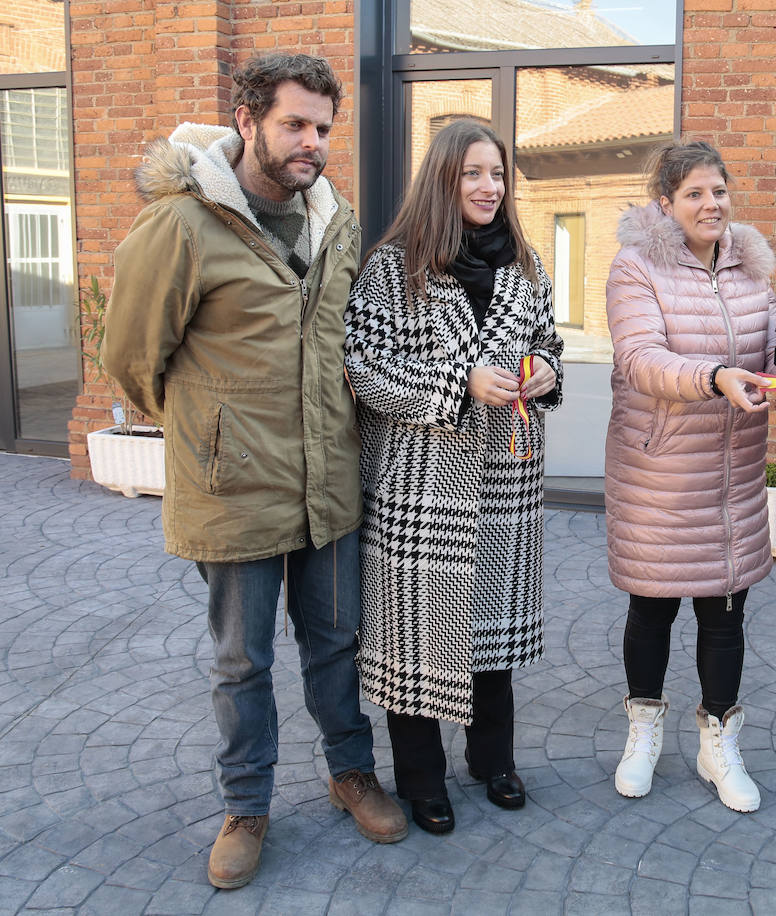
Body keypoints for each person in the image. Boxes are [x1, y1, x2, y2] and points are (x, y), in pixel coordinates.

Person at [102, 54, 406, 889]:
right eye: (294, 124)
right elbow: (130, 358)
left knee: (336, 646)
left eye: (322, 127)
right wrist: (212, 434)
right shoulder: (182, 226)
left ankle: (351, 775)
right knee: (242, 663)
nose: (312, 142)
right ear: (246, 121)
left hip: (328, 486)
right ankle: (246, 807)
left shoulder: (334, 221)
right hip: (232, 492)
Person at [344, 120, 564, 834]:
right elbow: (363, 369)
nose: (488, 187)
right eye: (473, 173)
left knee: (489, 635)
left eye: (497, 174)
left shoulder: (527, 266)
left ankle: (492, 761)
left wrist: (545, 372)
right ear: (443, 179)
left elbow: (548, 345)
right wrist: (456, 383)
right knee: (415, 638)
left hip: (504, 477)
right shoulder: (393, 267)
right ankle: (420, 778)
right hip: (419, 484)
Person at [603, 140, 776, 813]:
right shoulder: (635, 267)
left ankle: (718, 745)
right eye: (696, 193)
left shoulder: (750, 268)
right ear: (667, 203)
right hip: (661, 477)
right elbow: (642, 357)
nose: (712, 204)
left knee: (725, 613)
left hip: (731, 479)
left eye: (720, 191)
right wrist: (712, 378)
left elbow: (770, 345)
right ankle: (642, 734)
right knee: (651, 609)